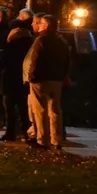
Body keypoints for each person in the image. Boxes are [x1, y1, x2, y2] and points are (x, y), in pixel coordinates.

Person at [25, 15, 72, 150]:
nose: (38, 25)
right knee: (55, 110)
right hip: (57, 80)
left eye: (40, 23)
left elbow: (36, 59)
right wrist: (63, 76)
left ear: (46, 26)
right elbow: (68, 61)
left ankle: (42, 140)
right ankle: (56, 139)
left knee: (40, 110)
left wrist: (31, 76)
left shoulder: (41, 40)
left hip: (41, 79)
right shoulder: (61, 42)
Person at [0, 16, 34, 142]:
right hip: (24, 80)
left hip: (9, 79)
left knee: (9, 109)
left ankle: (10, 132)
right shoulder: (31, 43)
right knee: (24, 108)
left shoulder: (11, 44)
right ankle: (25, 131)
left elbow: (2, 62)